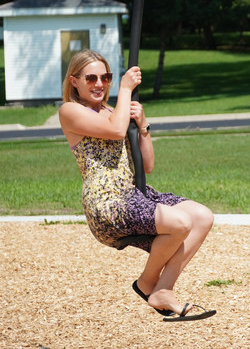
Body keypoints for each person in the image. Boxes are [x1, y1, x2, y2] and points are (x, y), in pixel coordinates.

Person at [59, 49, 215, 321]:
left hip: (133, 194)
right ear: (74, 81)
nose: (99, 84)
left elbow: (147, 166)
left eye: (105, 77)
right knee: (179, 223)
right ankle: (146, 283)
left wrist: (143, 127)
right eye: (91, 78)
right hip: (106, 202)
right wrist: (126, 88)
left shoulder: (115, 111)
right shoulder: (70, 111)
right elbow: (116, 131)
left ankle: (163, 289)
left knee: (202, 217)